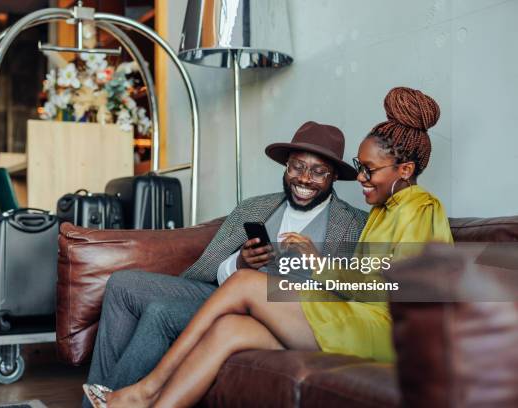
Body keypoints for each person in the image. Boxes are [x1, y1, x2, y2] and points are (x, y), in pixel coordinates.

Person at [93, 87, 453, 408]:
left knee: (243, 285)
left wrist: (317, 265)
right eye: (360, 167)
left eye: (369, 170)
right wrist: (245, 261)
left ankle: (145, 390)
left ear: (404, 169)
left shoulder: (420, 207)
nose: (361, 177)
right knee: (228, 330)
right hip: (348, 319)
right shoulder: (384, 209)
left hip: (385, 334)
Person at [83, 121, 368, 407]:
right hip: (224, 296)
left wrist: (315, 264)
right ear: (286, 167)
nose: (304, 179)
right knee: (122, 283)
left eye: (318, 171)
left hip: (284, 312)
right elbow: (210, 270)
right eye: (296, 166)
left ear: (333, 177)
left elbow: (354, 293)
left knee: (162, 312)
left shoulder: (352, 224)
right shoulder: (255, 207)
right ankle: (100, 396)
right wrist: (241, 263)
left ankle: (115, 399)